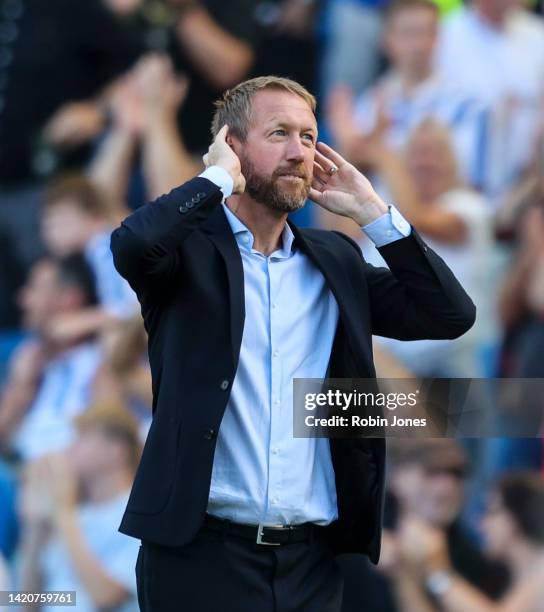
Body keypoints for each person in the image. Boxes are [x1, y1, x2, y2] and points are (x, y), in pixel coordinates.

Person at [110, 75, 475, 611]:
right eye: (279, 133)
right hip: (198, 555)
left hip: (311, 562)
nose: (299, 150)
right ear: (232, 147)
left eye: (308, 136)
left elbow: (449, 314)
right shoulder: (186, 254)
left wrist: (373, 211)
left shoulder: (335, 260)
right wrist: (215, 179)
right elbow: (133, 243)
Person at [327, 0, 489, 192]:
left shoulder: (465, 104)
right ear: (387, 40)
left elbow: (465, 180)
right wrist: (359, 146)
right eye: (408, 33)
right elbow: (350, 177)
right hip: (380, 214)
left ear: (438, 38)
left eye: (426, 33)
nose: (418, 44)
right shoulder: (372, 100)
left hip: (436, 215)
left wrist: (378, 154)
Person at [18, 401, 142, 612]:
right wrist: (36, 528)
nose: (70, 448)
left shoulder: (138, 514)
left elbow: (106, 596)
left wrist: (63, 511)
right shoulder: (75, 514)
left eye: (84, 437)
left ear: (117, 451)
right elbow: (26, 604)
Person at [0, 254, 102, 459]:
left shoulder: (101, 359)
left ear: (69, 297)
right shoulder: (29, 362)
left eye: (33, 289)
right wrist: (21, 386)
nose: (23, 299)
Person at [398, 471, 544, 612]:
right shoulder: (520, 576)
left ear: (516, 516)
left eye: (491, 511)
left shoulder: (540, 572)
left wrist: (438, 573)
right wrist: (403, 574)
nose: (481, 524)